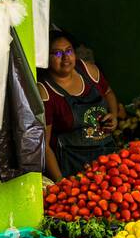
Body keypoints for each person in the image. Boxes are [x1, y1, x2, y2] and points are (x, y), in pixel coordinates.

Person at [38, 29, 120, 181]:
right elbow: (45, 146)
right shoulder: (45, 91)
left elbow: (108, 92)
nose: (65, 58)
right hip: (72, 167)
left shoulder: (89, 71)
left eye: (68, 51)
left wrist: (114, 116)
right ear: (46, 58)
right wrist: (60, 183)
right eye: (56, 53)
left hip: (107, 159)